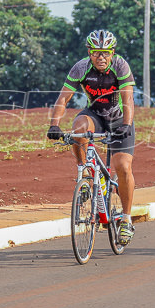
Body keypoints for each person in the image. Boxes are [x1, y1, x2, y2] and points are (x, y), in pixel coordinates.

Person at [47, 29, 138, 245]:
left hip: (118, 119)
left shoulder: (120, 66)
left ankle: (126, 219)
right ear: (89, 52)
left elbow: (128, 99)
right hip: (95, 114)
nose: (101, 57)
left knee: (123, 167)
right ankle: (85, 174)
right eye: (96, 52)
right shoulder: (80, 68)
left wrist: (126, 124)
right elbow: (63, 98)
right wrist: (54, 124)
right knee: (78, 128)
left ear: (112, 52)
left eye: (105, 53)